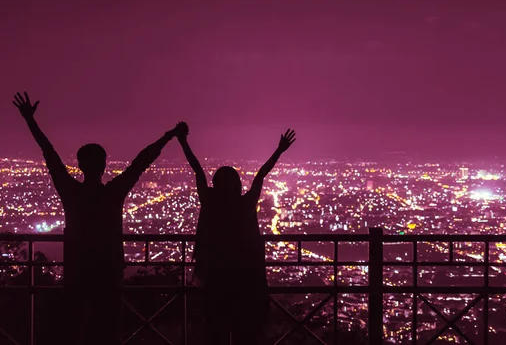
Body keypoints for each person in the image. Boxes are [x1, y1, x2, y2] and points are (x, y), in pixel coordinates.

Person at [12, 92, 184, 345]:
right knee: (107, 332)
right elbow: (141, 161)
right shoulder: (114, 193)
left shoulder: (71, 192)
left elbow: (49, 153)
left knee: (74, 330)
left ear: (80, 166)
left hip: (77, 272)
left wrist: (30, 121)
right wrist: (169, 136)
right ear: (104, 165)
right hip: (108, 273)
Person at [176, 123, 296, 345]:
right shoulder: (245, 206)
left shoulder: (210, 203)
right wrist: (279, 151)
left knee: (215, 331)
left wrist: (183, 142)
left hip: (215, 279)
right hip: (245, 281)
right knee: (244, 333)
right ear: (238, 185)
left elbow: (197, 170)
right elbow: (261, 176)